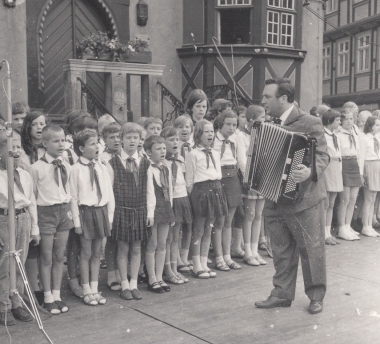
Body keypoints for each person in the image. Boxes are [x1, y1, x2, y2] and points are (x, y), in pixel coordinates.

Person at [255, 78, 329, 315]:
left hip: (304, 199)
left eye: (267, 97)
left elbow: (323, 155)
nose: (262, 101)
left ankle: (316, 296)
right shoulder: (268, 123)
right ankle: (281, 293)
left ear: (283, 98)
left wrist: (309, 171)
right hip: (274, 197)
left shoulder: (310, 122)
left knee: (311, 248)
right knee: (280, 248)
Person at [69, 130, 115, 306]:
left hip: (101, 212)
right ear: (81, 148)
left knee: (98, 252)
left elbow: (109, 193)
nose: (97, 147)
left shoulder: (102, 167)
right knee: (86, 253)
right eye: (92, 144)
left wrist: (109, 216)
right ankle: (86, 288)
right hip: (85, 213)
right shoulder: (75, 169)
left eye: (98, 143)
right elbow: (73, 197)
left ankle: (95, 288)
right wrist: (77, 222)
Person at [32, 125, 73, 315]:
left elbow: (70, 192)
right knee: (46, 257)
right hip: (46, 213)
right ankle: (47, 297)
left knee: (59, 255)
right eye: (56, 141)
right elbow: (32, 197)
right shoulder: (36, 168)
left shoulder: (66, 165)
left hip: (63, 212)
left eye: (63, 140)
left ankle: (57, 295)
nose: (61, 144)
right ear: (45, 143)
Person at [108, 123, 151, 300]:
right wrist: (111, 217)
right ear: (121, 139)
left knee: (136, 248)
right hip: (121, 211)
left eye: (136, 138)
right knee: (123, 248)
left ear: (141, 140)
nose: (132, 141)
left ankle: (134, 283)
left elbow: (149, 191)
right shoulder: (113, 163)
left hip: (139, 210)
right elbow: (109, 192)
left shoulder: (145, 162)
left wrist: (150, 213)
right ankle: (124, 283)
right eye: (128, 137)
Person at [0, 133, 39, 325]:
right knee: (4, 265)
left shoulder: (24, 174)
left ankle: (17, 302)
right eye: (10, 148)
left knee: (19, 263)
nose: (15, 152)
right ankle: (3, 306)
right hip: (4, 220)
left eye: (18, 147)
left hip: (23, 218)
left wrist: (35, 227)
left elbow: (31, 202)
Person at [185, 119, 228, 279]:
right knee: (199, 229)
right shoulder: (193, 154)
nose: (210, 134)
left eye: (211, 131)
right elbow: (189, 180)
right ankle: (196, 265)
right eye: (206, 131)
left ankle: (204, 262)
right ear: (198, 134)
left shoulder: (216, 153)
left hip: (216, 190)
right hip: (201, 192)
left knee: (209, 227)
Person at [212, 111, 246, 271]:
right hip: (218, 178)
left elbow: (241, 162)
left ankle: (227, 256)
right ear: (221, 123)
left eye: (234, 125)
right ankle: (218, 257)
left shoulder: (236, 139)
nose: (232, 128)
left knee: (228, 221)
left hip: (233, 178)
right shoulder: (213, 139)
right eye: (228, 124)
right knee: (218, 220)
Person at [19, 111, 47, 304]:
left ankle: (41, 282)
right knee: (32, 246)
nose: (39, 128)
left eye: (43, 124)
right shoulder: (23, 151)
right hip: (31, 201)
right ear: (28, 127)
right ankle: (31, 286)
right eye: (35, 124)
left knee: (45, 246)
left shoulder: (48, 148)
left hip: (47, 200)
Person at [145, 135, 175, 293]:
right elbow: (149, 193)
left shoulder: (166, 168)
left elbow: (170, 191)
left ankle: (159, 276)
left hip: (165, 208)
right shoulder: (148, 169)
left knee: (162, 243)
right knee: (152, 243)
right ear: (149, 152)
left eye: (164, 148)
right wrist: (149, 214)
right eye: (158, 149)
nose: (162, 151)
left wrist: (171, 211)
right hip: (153, 210)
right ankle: (151, 278)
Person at [162, 127, 192, 284]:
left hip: (181, 199)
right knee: (167, 238)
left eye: (176, 139)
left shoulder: (180, 160)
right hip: (170, 201)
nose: (175, 142)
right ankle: (167, 269)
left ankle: (174, 268)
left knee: (175, 237)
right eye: (171, 140)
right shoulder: (162, 162)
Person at [238, 105, 267, 266]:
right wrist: (250, 176)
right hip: (250, 178)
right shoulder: (241, 137)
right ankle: (247, 251)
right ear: (251, 119)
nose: (264, 120)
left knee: (258, 215)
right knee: (249, 215)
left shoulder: (263, 135)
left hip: (261, 178)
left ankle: (255, 250)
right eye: (261, 117)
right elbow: (242, 160)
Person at [336, 109, 362, 241]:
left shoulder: (355, 133)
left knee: (353, 199)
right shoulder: (338, 134)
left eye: (352, 119)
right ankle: (341, 228)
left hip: (354, 164)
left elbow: (359, 152)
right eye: (347, 119)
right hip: (344, 165)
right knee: (344, 199)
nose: (350, 121)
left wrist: (361, 171)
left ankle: (347, 225)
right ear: (341, 120)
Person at [173, 114, 194, 270]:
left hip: (193, 189)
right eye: (180, 127)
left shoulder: (194, 146)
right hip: (180, 191)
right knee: (178, 225)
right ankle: (177, 258)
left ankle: (185, 256)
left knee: (189, 224)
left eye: (187, 126)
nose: (184, 130)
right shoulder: (174, 148)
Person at [322, 109, 343, 245]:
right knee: (326, 203)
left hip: (336, 168)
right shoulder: (323, 135)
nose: (339, 122)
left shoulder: (336, 135)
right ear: (329, 121)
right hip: (327, 168)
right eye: (337, 120)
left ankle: (328, 232)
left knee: (332, 202)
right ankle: (323, 234)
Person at [360, 116, 380, 237]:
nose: (379, 127)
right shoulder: (364, 139)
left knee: (373, 198)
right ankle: (365, 226)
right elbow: (361, 157)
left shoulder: (377, 138)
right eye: (377, 125)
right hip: (369, 166)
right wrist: (362, 174)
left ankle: (370, 225)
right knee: (368, 199)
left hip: (377, 166)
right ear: (370, 126)